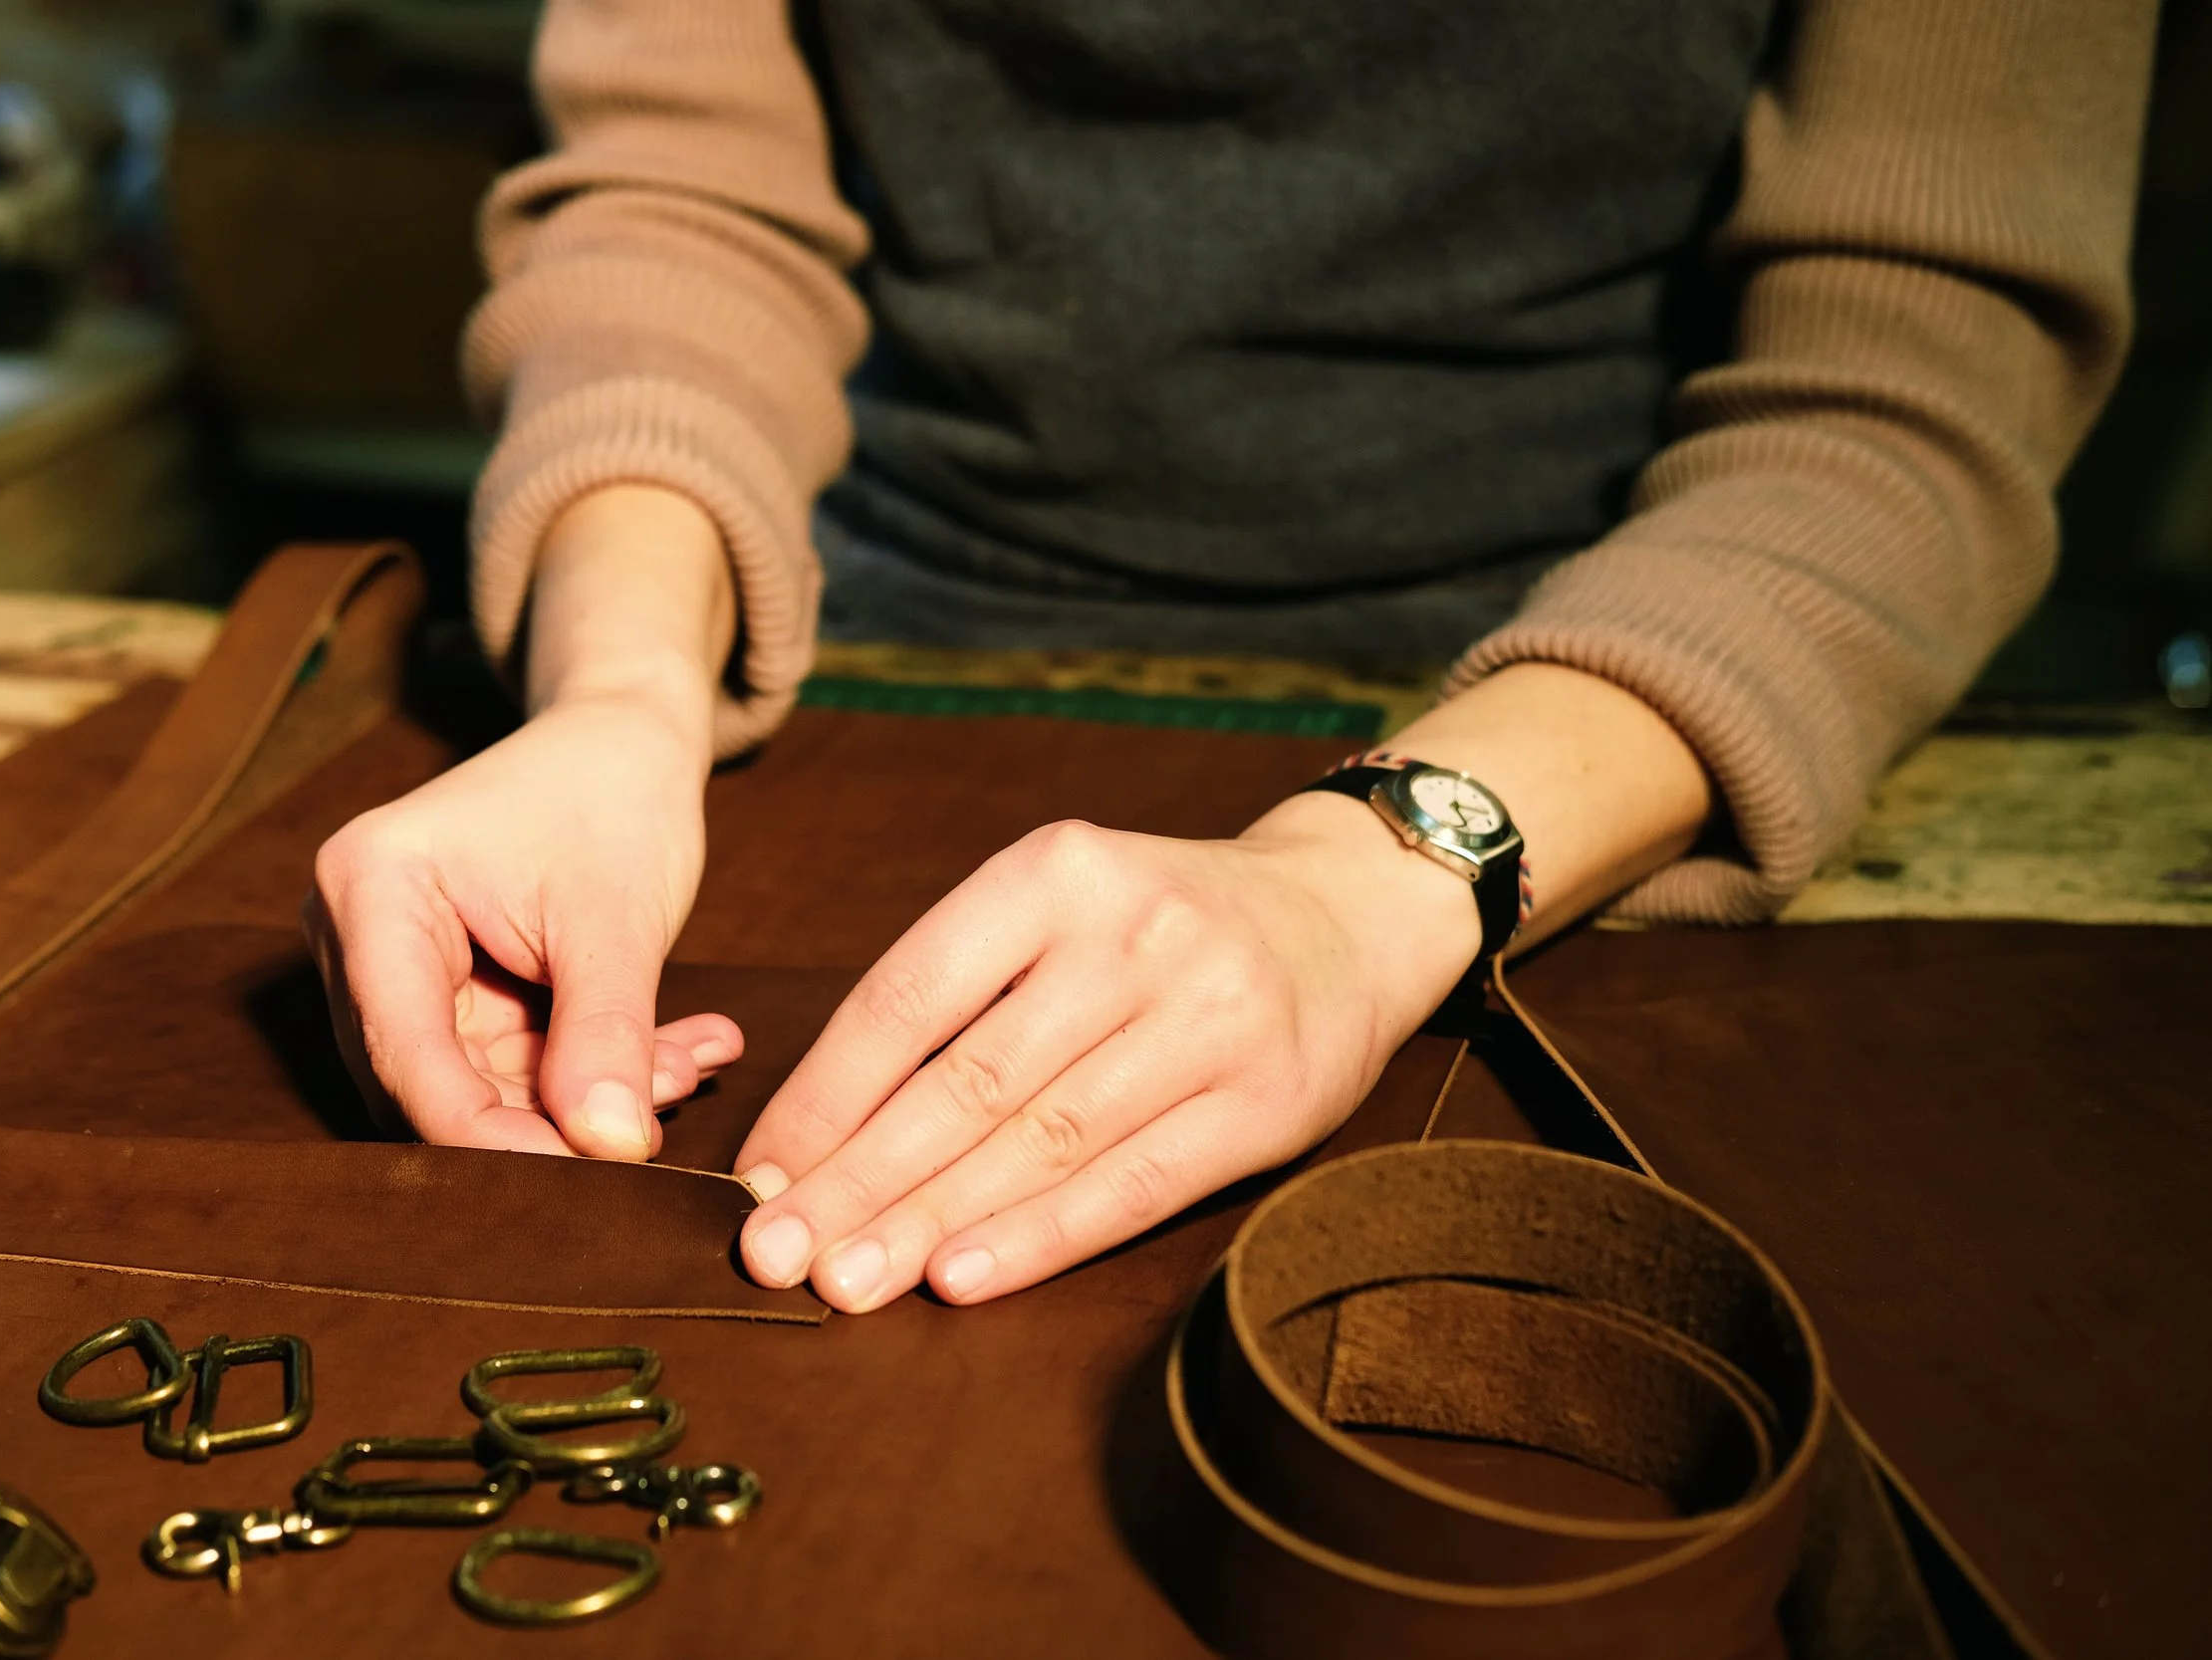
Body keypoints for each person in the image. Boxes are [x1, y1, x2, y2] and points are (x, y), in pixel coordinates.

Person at [303, 0, 2153, 1314]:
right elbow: (678, 192)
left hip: (1626, 704)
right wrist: (625, 684)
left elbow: (1914, 376)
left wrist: (1370, 880)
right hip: (851, 634)